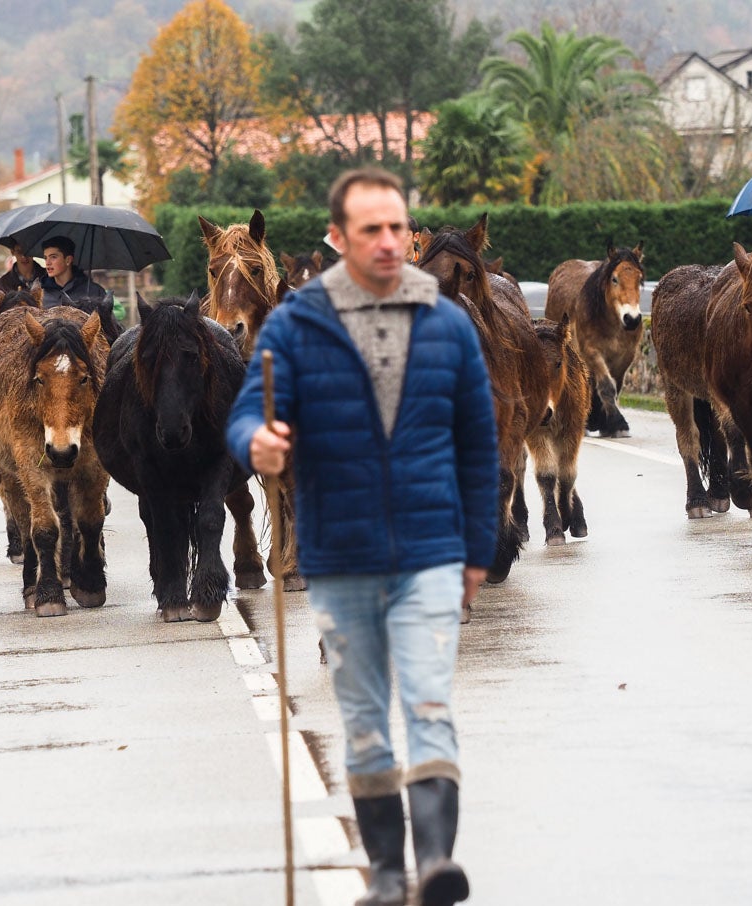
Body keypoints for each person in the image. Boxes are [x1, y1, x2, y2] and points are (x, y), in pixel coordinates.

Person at [226, 168, 498, 906]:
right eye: (369, 229)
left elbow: (479, 446)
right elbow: (248, 412)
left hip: (430, 552)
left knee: (428, 702)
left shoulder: (446, 324)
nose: (387, 241)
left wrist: (478, 549)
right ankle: (384, 871)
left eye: (396, 227)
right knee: (365, 718)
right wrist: (260, 442)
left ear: (410, 233)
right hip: (339, 555)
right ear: (339, 238)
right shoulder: (296, 325)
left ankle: (435, 861)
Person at [38, 235, 120, 339]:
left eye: (53, 257)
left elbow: (109, 332)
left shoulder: (94, 291)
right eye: (45, 258)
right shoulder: (40, 294)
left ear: (68, 260)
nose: (48, 263)